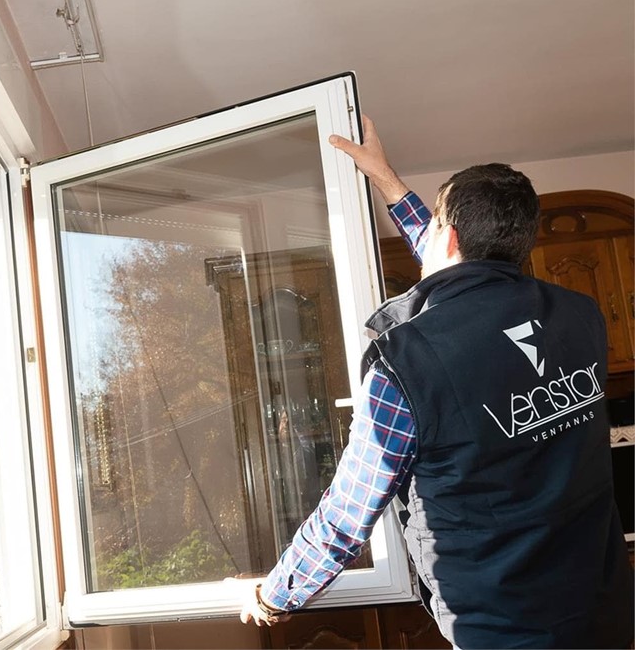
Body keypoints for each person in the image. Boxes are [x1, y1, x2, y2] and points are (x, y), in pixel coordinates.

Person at [240, 116, 634, 648]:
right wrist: (387, 180)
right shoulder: (579, 315)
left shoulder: (407, 363)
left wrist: (275, 595)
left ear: (446, 237)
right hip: (604, 607)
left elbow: (348, 513)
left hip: (505, 626)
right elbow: (460, 260)